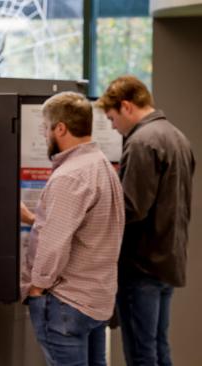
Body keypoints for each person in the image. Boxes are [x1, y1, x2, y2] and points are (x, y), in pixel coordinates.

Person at [20, 92, 125, 365]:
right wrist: (35, 219)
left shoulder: (69, 176)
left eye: (45, 129)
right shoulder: (103, 166)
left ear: (60, 128)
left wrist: (37, 287)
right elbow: (90, 229)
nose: (44, 136)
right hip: (96, 299)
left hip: (66, 302)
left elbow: (54, 244)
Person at [97, 76, 195, 366]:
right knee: (159, 347)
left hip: (140, 265)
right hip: (168, 261)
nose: (113, 127)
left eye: (112, 118)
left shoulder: (142, 141)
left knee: (141, 353)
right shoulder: (177, 136)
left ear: (126, 106)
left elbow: (131, 207)